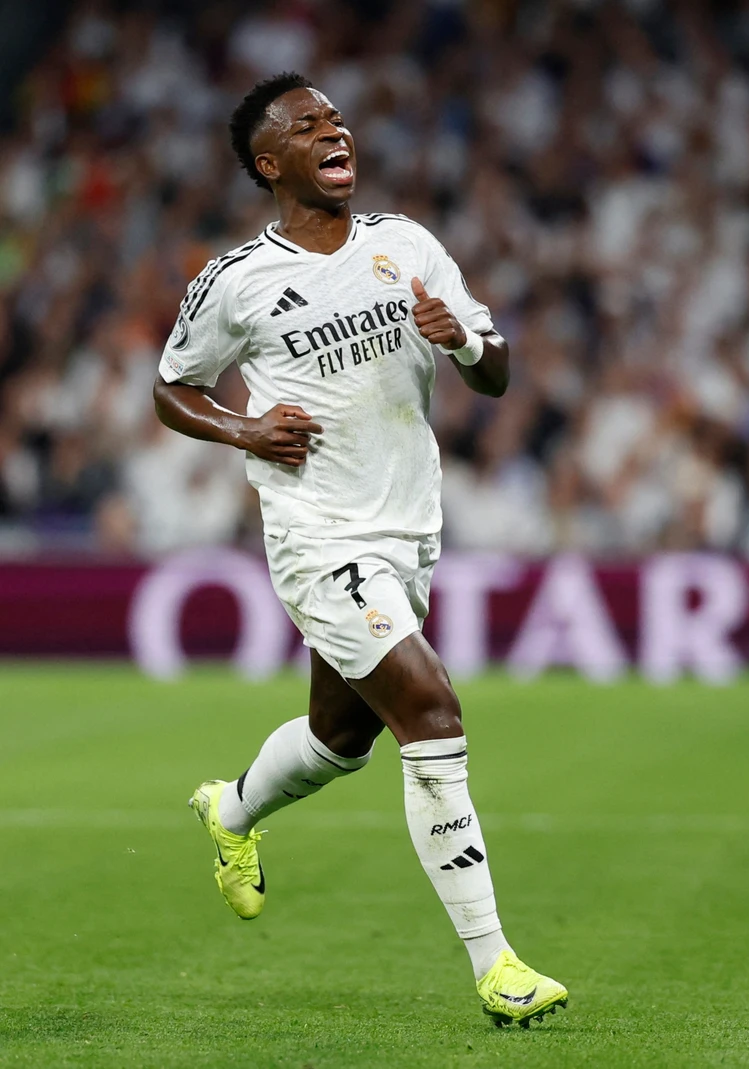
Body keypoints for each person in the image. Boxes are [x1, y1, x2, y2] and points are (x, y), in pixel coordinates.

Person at [153, 73, 567, 1027]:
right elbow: (170, 388)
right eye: (309, 126)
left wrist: (460, 338)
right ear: (272, 164)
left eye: (336, 119)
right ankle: (495, 962)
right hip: (317, 535)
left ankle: (230, 810)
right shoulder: (237, 281)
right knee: (431, 704)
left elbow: (497, 372)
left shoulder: (406, 245)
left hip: (407, 530)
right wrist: (244, 430)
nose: (334, 131)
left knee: (341, 741)